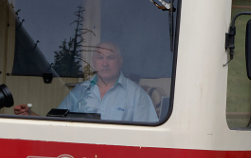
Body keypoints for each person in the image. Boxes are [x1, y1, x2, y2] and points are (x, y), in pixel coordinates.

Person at [14, 42, 158, 123]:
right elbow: (56, 124)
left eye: (111, 57)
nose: (105, 63)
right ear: (94, 62)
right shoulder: (80, 92)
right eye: (100, 58)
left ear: (120, 61)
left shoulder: (137, 95)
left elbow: (149, 139)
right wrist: (31, 114)